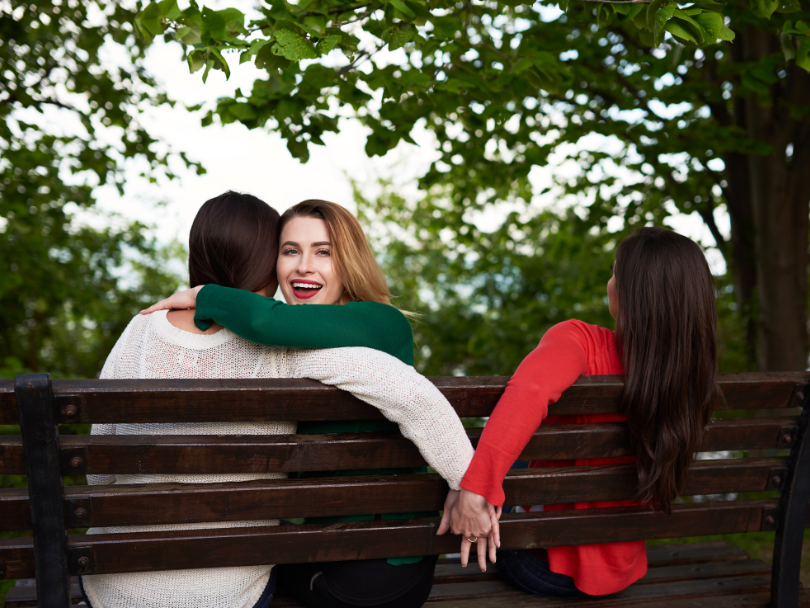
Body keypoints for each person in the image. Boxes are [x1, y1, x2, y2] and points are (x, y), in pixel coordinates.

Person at [124, 195, 496, 608]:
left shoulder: (377, 321)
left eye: (324, 252)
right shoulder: (286, 345)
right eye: (290, 251)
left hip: (374, 568)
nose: (304, 265)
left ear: (349, 262)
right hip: (327, 550)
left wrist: (207, 296)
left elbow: (267, 319)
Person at [444, 227, 721, 597]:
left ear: (628, 293)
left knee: (481, 465)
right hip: (623, 569)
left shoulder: (582, 341)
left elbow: (530, 391)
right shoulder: (690, 379)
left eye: (614, 272)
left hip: (539, 564)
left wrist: (473, 488)